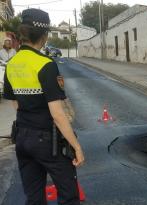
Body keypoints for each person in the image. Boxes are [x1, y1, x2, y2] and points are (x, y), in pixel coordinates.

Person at [3, 8, 84, 205]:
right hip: (48, 141)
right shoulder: (45, 64)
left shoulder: (12, 64)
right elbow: (57, 114)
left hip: (22, 137)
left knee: (34, 197)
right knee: (69, 195)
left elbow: (15, 102)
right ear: (45, 36)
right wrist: (76, 146)